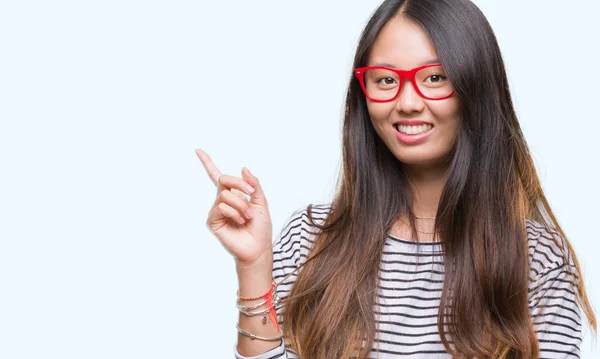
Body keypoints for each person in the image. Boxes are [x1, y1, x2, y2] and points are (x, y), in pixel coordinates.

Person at [197, 0, 596, 357]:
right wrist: (253, 266)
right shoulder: (310, 238)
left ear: (475, 87)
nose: (407, 103)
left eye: (435, 77)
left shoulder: (535, 258)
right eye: (386, 80)